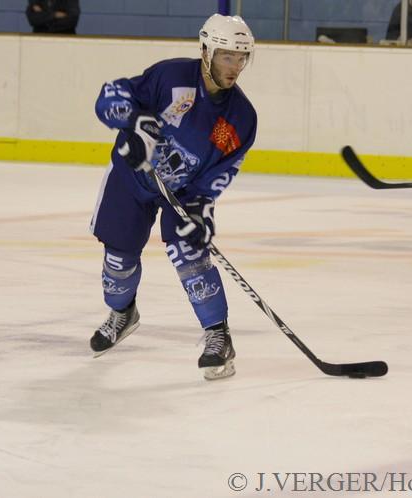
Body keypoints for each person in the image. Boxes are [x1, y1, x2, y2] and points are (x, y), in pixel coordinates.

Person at [88, 14, 257, 380]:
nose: (235, 66)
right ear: (206, 51)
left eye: (241, 58)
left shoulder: (241, 118)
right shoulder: (172, 77)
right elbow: (112, 95)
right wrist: (133, 122)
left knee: (190, 253)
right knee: (118, 263)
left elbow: (220, 172)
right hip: (132, 179)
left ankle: (218, 336)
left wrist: (201, 210)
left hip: (182, 190)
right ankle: (123, 312)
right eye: (227, 56)